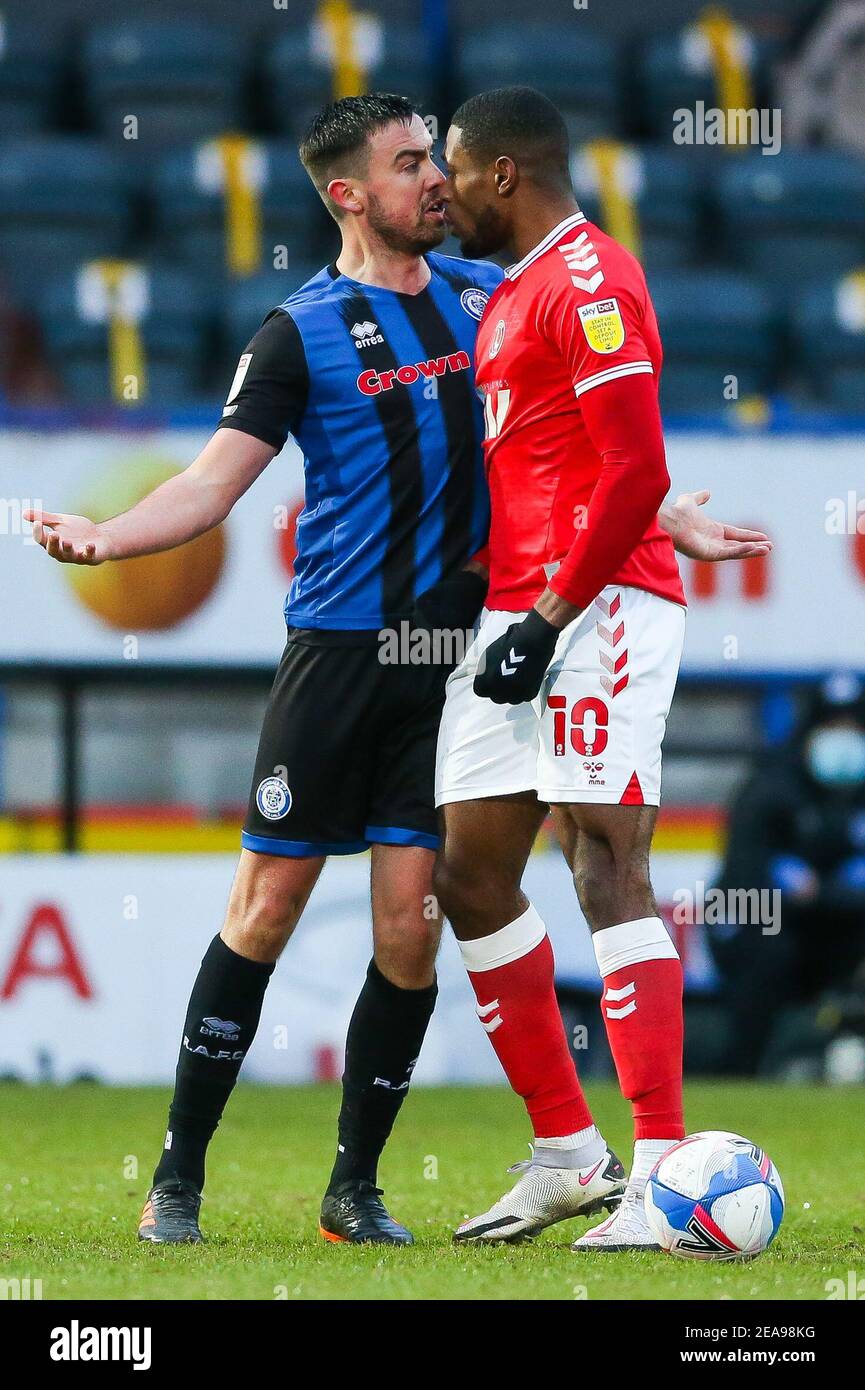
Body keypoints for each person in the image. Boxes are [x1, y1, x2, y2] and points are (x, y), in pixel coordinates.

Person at [25, 91, 768, 1250]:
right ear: (348, 194)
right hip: (339, 652)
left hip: (469, 654)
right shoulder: (297, 328)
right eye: (411, 163)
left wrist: (662, 516)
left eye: (439, 159)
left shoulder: (490, 296)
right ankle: (176, 1175)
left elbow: (568, 439)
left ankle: (356, 1189)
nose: (436, 178)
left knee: (415, 924)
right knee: (266, 908)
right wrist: (108, 540)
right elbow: (212, 484)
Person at [433, 85, 769, 1251]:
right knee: (470, 873)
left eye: (457, 173)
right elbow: (567, 451)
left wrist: (560, 608)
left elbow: (630, 467)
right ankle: (570, 1155)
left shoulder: (591, 282)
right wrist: (518, 613)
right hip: (518, 610)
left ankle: (665, 1170)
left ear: (505, 175)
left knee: (603, 855)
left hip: (600, 605)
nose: (445, 191)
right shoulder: (517, 291)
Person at [711, 672, 865, 1075]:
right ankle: (742, 1070)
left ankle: (842, 1052)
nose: (844, 739)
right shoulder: (772, 785)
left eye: (853, 727)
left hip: (832, 925)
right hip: (759, 923)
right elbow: (742, 881)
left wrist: (820, 893)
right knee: (767, 945)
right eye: (832, 727)